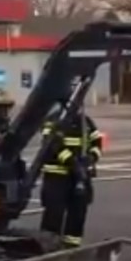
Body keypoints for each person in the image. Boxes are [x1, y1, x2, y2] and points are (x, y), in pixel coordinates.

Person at [39, 106, 103, 248]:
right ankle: (47, 246)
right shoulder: (54, 120)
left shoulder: (85, 121)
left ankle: (72, 247)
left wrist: (91, 158)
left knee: (78, 214)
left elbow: (97, 141)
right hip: (57, 176)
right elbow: (52, 145)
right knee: (54, 213)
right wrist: (72, 163)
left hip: (81, 176)